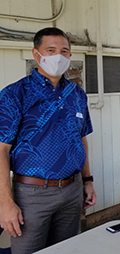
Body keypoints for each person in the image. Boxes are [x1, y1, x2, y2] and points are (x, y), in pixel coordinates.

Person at [0, 27, 96, 253]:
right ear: (36, 54)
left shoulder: (77, 94)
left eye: (64, 51)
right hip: (32, 195)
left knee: (67, 249)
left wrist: (87, 180)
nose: (58, 56)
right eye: (50, 50)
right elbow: (1, 150)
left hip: (72, 191)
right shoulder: (15, 94)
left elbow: (80, 139)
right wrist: (5, 203)